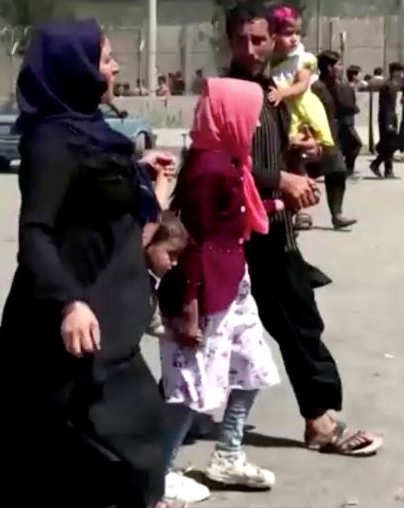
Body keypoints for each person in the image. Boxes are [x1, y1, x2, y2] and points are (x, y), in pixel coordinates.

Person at [0, 20, 176, 508]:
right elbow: (36, 230)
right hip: (74, 303)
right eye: (105, 58)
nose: (114, 67)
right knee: (120, 418)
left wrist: (137, 176)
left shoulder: (92, 130)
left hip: (103, 297)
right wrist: (69, 304)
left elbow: (96, 190)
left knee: (24, 409)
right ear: (77, 68)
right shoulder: (52, 141)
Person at [223, 3, 383, 462]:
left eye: (259, 40)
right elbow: (221, 165)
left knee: (274, 323)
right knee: (288, 321)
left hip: (275, 225)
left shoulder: (270, 88)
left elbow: (263, 154)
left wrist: (295, 156)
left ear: (274, 40)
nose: (251, 49)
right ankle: (319, 420)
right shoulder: (229, 92)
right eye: (241, 40)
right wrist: (280, 181)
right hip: (247, 232)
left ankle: (317, 416)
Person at [158, 78, 281, 503]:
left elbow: (229, 220)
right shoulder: (209, 169)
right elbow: (194, 242)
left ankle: (228, 452)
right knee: (189, 385)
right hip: (206, 290)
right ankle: (161, 471)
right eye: (252, 118)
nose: (256, 127)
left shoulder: (226, 161)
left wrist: (272, 206)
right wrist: (189, 308)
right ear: (229, 116)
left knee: (251, 366)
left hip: (232, 283)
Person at [265, 6, 335, 155]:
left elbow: (302, 85)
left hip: (300, 106)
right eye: (288, 33)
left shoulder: (302, 58)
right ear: (274, 35)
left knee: (295, 139)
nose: (294, 38)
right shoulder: (274, 60)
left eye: (297, 33)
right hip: (286, 105)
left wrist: (282, 93)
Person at [309, 51, 357, 229]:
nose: (340, 68)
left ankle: (337, 214)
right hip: (317, 138)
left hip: (332, 139)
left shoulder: (336, 86)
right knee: (305, 175)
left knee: (337, 172)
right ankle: (296, 215)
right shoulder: (317, 87)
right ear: (329, 67)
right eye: (338, 64)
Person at [370, 63, 404, 179]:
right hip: (387, 118)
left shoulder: (392, 85)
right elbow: (386, 106)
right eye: (400, 72)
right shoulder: (388, 86)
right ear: (395, 72)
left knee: (390, 144)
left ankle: (379, 165)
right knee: (389, 144)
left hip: (390, 117)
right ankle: (386, 169)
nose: (401, 75)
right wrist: (389, 122)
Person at [337, 65, 363, 175]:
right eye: (359, 74)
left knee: (347, 146)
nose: (361, 76)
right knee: (356, 144)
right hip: (346, 122)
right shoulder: (348, 88)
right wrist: (355, 109)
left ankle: (347, 168)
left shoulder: (349, 87)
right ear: (354, 76)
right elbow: (347, 104)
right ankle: (346, 167)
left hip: (346, 121)